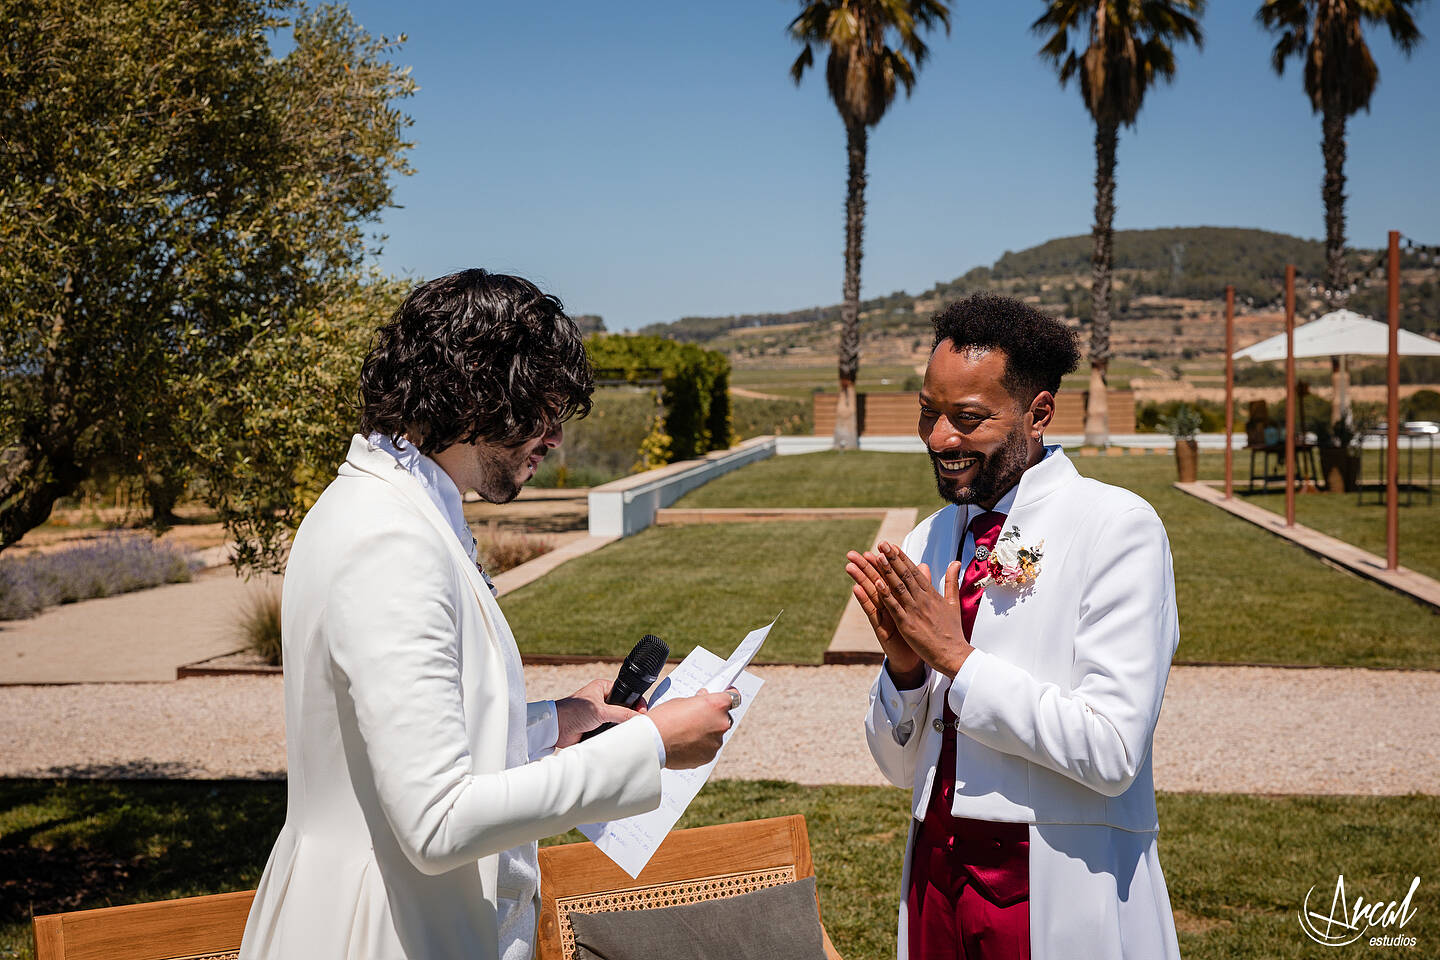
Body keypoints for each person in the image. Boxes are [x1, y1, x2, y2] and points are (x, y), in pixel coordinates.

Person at [239, 269, 737, 960]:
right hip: (382, 930)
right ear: (478, 394)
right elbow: (436, 820)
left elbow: (407, 748)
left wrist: (554, 725)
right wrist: (650, 746)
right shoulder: (391, 539)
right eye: (545, 411)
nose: (555, 438)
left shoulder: (385, 506)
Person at [846, 294, 1181, 960]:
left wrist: (958, 661)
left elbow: (1113, 752)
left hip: (1055, 881)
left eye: (968, 418)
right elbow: (897, 767)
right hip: (934, 884)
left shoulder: (1116, 528)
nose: (941, 438)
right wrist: (906, 671)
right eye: (929, 413)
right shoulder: (929, 536)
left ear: (1040, 412)